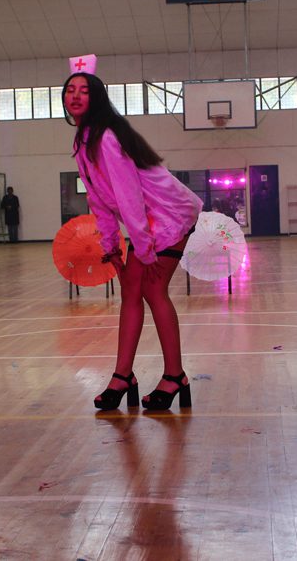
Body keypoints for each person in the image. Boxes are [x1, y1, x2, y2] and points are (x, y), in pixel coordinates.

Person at [64, 54, 203, 411]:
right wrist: (112, 246)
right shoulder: (83, 142)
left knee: (153, 290)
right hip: (149, 218)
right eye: (70, 90)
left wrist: (142, 247)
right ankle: (123, 375)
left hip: (169, 213)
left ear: (97, 98)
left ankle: (174, 376)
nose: (75, 95)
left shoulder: (106, 139)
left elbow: (129, 196)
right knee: (130, 290)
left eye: (84, 91)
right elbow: (98, 199)